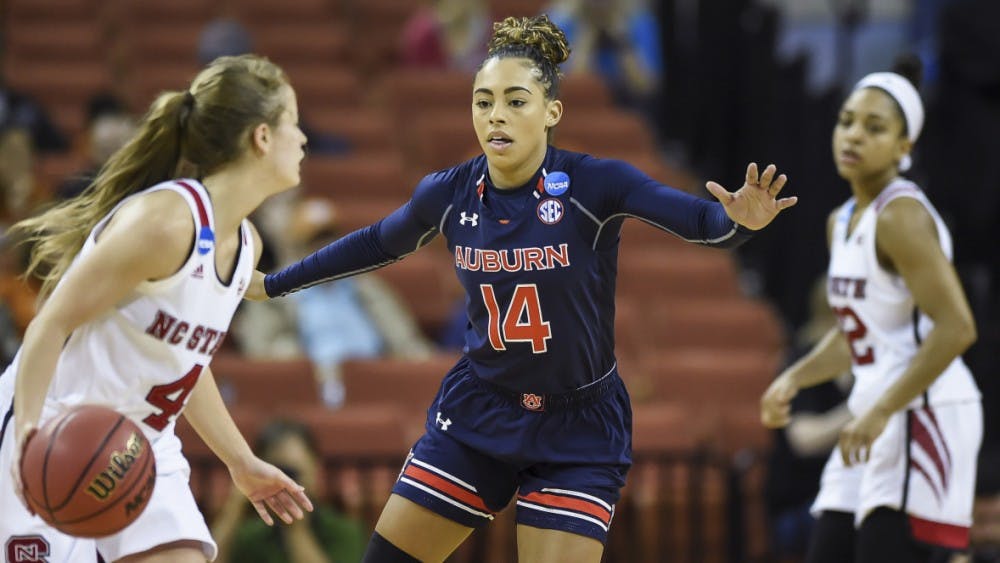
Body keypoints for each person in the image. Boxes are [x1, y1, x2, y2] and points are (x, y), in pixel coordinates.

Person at [250, 15, 796, 562]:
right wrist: (274, 284)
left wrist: (740, 221)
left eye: (515, 101)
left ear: (552, 111)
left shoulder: (595, 184)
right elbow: (371, 243)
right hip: (480, 411)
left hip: (577, 426)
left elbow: (703, 224)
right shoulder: (447, 192)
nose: (496, 116)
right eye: (483, 101)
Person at [0, 54, 313, 562]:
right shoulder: (165, 223)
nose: (303, 139)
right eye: (293, 124)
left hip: (139, 447)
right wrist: (30, 435)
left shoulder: (246, 244)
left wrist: (240, 461)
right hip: (59, 426)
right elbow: (50, 324)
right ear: (261, 137)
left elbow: (184, 362)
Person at [760, 55, 982, 563]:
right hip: (875, 412)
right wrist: (795, 378)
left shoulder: (901, 215)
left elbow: (957, 327)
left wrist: (882, 408)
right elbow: (856, 334)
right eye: (846, 121)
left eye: (874, 128)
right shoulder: (840, 221)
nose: (853, 136)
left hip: (923, 412)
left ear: (904, 148)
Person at [212, 419, 367, 563]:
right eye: (277, 473)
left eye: (292, 474)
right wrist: (234, 507)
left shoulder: (344, 532)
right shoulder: (250, 535)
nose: (285, 484)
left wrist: (295, 531)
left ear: (316, 468)